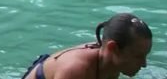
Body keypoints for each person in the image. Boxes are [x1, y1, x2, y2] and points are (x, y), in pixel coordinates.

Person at [20, 13, 151, 79]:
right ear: (113, 48)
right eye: (138, 56)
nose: (144, 64)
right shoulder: (75, 70)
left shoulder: (111, 61)